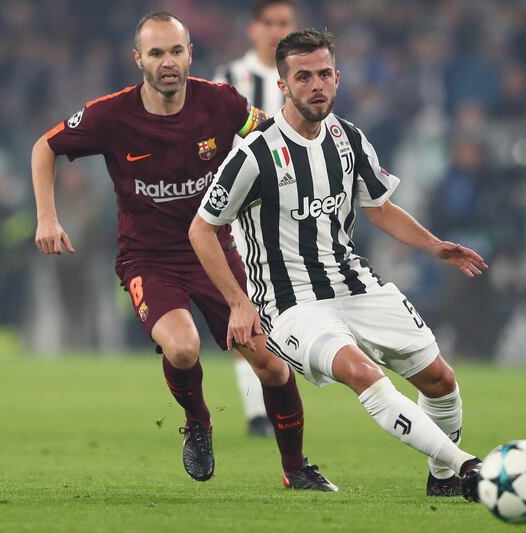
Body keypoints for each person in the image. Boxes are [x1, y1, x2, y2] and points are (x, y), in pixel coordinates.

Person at [31, 12, 336, 491]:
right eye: (156, 53)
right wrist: (47, 216)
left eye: (175, 51)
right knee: (182, 345)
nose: (167, 62)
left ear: (190, 52)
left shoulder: (220, 103)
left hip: (215, 251)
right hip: (147, 259)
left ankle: (296, 469)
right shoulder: (111, 115)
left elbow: (270, 134)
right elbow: (44, 147)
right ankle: (199, 422)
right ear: (138, 60)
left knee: (271, 365)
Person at [190, 29, 488, 499]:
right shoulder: (253, 155)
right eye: (303, 76)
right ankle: (470, 465)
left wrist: (435, 246)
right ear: (283, 85)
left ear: (338, 78)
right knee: (361, 372)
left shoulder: (347, 138)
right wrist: (238, 302)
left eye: (325, 74)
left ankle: (444, 479)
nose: (316, 85)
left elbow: (378, 207)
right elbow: (201, 228)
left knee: (441, 380)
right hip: (293, 304)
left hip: (356, 285)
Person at [213, 0, 297, 437]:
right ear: (252, 28)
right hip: (239, 212)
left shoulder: (303, 80)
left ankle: (275, 398)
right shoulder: (228, 81)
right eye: (269, 22)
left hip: (292, 213)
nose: (276, 30)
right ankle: (258, 412)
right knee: (246, 303)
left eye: (283, 23)